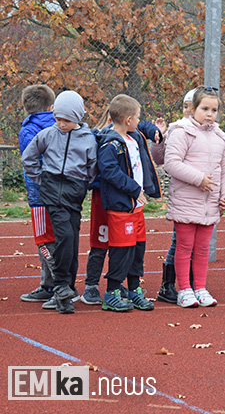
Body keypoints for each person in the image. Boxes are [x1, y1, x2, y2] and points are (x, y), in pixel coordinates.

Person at [22, 90, 98, 313]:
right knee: (64, 235)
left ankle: (66, 292)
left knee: (72, 239)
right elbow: (29, 157)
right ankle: (62, 285)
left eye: (67, 119)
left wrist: (84, 184)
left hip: (74, 194)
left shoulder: (87, 139)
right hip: (52, 193)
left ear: (77, 117)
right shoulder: (47, 134)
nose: (61, 123)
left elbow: (92, 167)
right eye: (58, 118)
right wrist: (42, 179)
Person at [82, 110, 165, 306]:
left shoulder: (134, 137)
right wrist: (134, 189)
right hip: (113, 202)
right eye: (136, 117)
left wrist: (155, 130)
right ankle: (98, 287)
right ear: (127, 119)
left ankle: (133, 287)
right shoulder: (108, 142)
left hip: (133, 206)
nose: (139, 121)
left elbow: (144, 126)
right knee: (106, 244)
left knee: (136, 248)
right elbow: (109, 170)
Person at [165, 87, 225, 307]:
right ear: (193, 109)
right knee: (184, 247)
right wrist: (199, 179)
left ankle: (201, 288)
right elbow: (172, 163)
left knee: (204, 248)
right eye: (205, 109)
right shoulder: (181, 131)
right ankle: (184, 289)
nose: (209, 114)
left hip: (210, 204)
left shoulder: (220, 137)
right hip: (187, 200)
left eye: (214, 110)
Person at [18, 85, 58, 305]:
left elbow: (31, 161)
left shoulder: (28, 130)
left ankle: (54, 285)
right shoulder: (62, 124)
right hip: (63, 193)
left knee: (44, 240)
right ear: (51, 107)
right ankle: (57, 283)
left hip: (39, 195)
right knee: (59, 238)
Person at [155, 88, 196, 303]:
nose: (188, 110)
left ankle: (191, 281)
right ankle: (168, 284)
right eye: (187, 106)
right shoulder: (177, 129)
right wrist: (160, 138)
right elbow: (162, 159)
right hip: (184, 192)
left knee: (197, 241)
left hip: (202, 194)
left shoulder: (212, 131)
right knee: (179, 239)